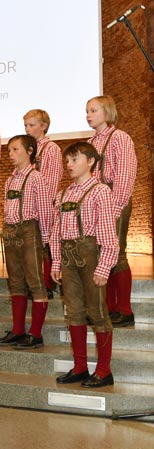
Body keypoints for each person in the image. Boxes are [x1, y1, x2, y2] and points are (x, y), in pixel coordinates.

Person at [50, 142, 118, 387]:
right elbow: (56, 231)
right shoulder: (64, 193)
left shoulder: (100, 191)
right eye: (67, 161)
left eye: (74, 160)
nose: (68, 165)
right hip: (68, 258)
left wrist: (104, 267)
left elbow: (110, 234)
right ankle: (80, 367)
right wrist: (56, 260)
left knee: (98, 313)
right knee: (74, 313)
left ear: (90, 162)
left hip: (91, 258)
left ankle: (104, 370)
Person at [0, 135, 53, 349]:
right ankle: (18, 330)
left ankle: (35, 334)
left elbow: (46, 212)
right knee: (16, 282)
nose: (10, 154)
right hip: (11, 232)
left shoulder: (37, 178)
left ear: (29, 151)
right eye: (9, 150)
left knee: (35, 283)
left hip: (30, 232)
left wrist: (45, 241)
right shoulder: (10, 179)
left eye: (15, 149)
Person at [86, 95, 137, 327]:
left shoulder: (120, 138)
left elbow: (126, 175)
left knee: (116, 253)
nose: (88, 115)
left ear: (107, 112)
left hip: (114, 199)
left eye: (93, 110)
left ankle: (124, 310)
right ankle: (107, 308)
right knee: (100, 254)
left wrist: (115, 208)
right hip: (95, 202)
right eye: (87, 111)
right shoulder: (90, 141)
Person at [23, 109, 63, 299]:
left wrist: (43, 204)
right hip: (30, 206)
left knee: (46, 244)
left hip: (45, 204)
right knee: (33, 246)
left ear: (44, 126)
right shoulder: (28, 149)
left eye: (31, 125)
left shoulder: (50, 148)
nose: (27, 129)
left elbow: (52, 180)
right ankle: (34, 281)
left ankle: (48, 283)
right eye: (25, 125)